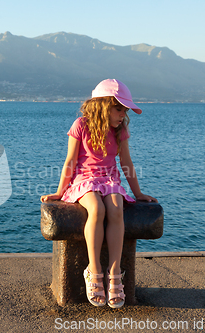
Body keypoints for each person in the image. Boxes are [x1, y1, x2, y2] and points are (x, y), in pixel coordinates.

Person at [40, 79, 157, 308]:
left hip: (109, 179)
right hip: (84, 179)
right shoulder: (81, 125)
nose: (123, 114)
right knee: (96, 208)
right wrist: (59, 191)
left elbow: (125, 162)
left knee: (115, 207)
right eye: (119, 108)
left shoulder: (120, 130)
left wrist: (138, 193)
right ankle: (93, 269)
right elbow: (71, 161)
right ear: (103, 106)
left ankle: (114, 271)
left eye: (125, 110)